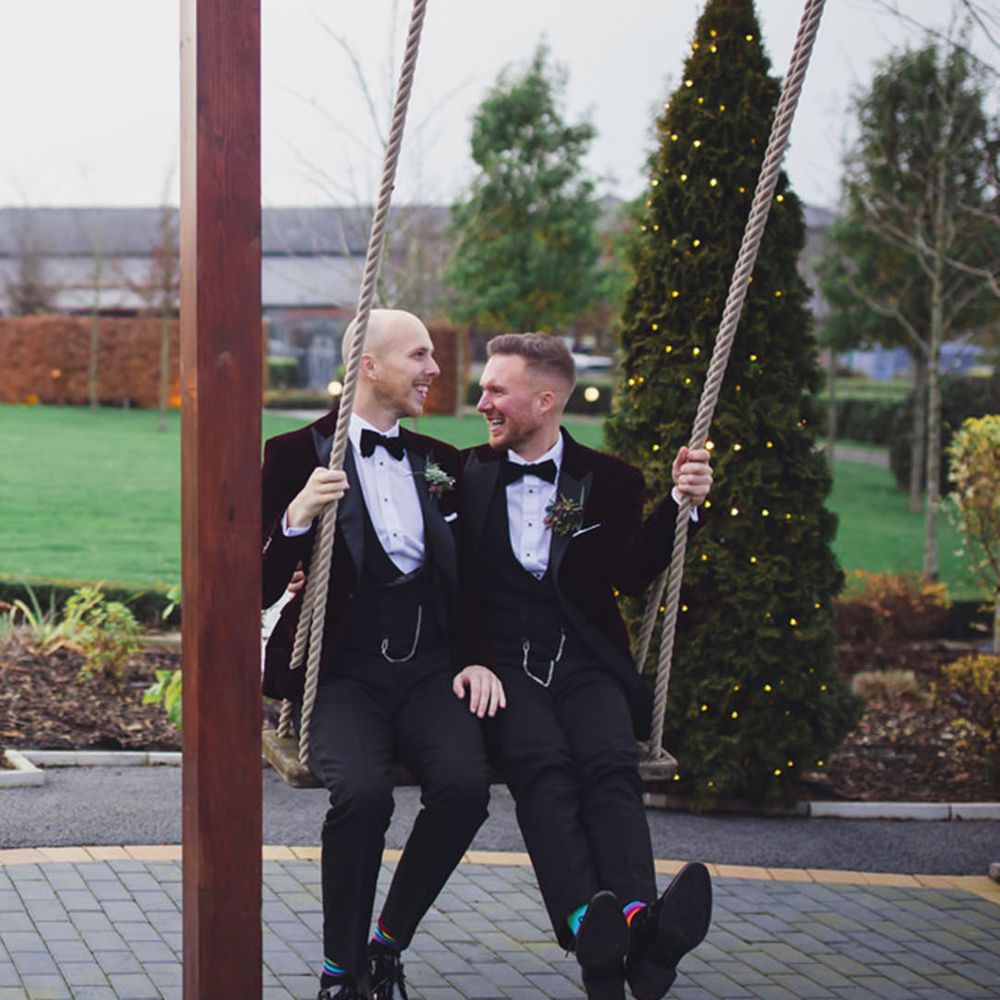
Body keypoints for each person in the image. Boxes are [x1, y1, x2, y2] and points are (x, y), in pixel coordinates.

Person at [458, 333, 714, 1000]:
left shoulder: (612, 479)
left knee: (609, 765)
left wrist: (682, 504)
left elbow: (629, 574)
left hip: (586, 660)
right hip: (504, 667)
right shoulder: (465, 474)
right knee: (541, 766)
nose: (482, 402)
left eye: (496, 391)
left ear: (545, 401)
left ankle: (636, 920)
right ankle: (595, 927)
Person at [261, 309, 505, 1000]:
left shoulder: (441, 460)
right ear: (369, 366)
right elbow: (254, 581)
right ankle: (341, 973)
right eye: (418, 355)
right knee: (363, 796)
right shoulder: (293, 453)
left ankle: (387, 942)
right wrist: (295, 518)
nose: (434, 368)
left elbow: (473, 577)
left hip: (428, 670)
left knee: (465, 789)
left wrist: (475, 657)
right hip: (341, 673)